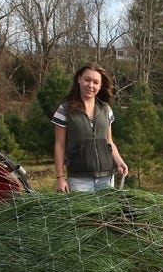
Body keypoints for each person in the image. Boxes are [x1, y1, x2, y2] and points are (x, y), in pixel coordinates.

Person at [52, 63, 128, 192]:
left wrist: (120, 162)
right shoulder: (64, 110)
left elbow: (109, 142)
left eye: (95, 82)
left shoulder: (106, 109)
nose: (91, 85)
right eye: (87, 80)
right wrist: (60, 177)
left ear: (100, 85)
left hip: (106, 177)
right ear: (79, 79)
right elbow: (59, 145)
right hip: (79, 179)